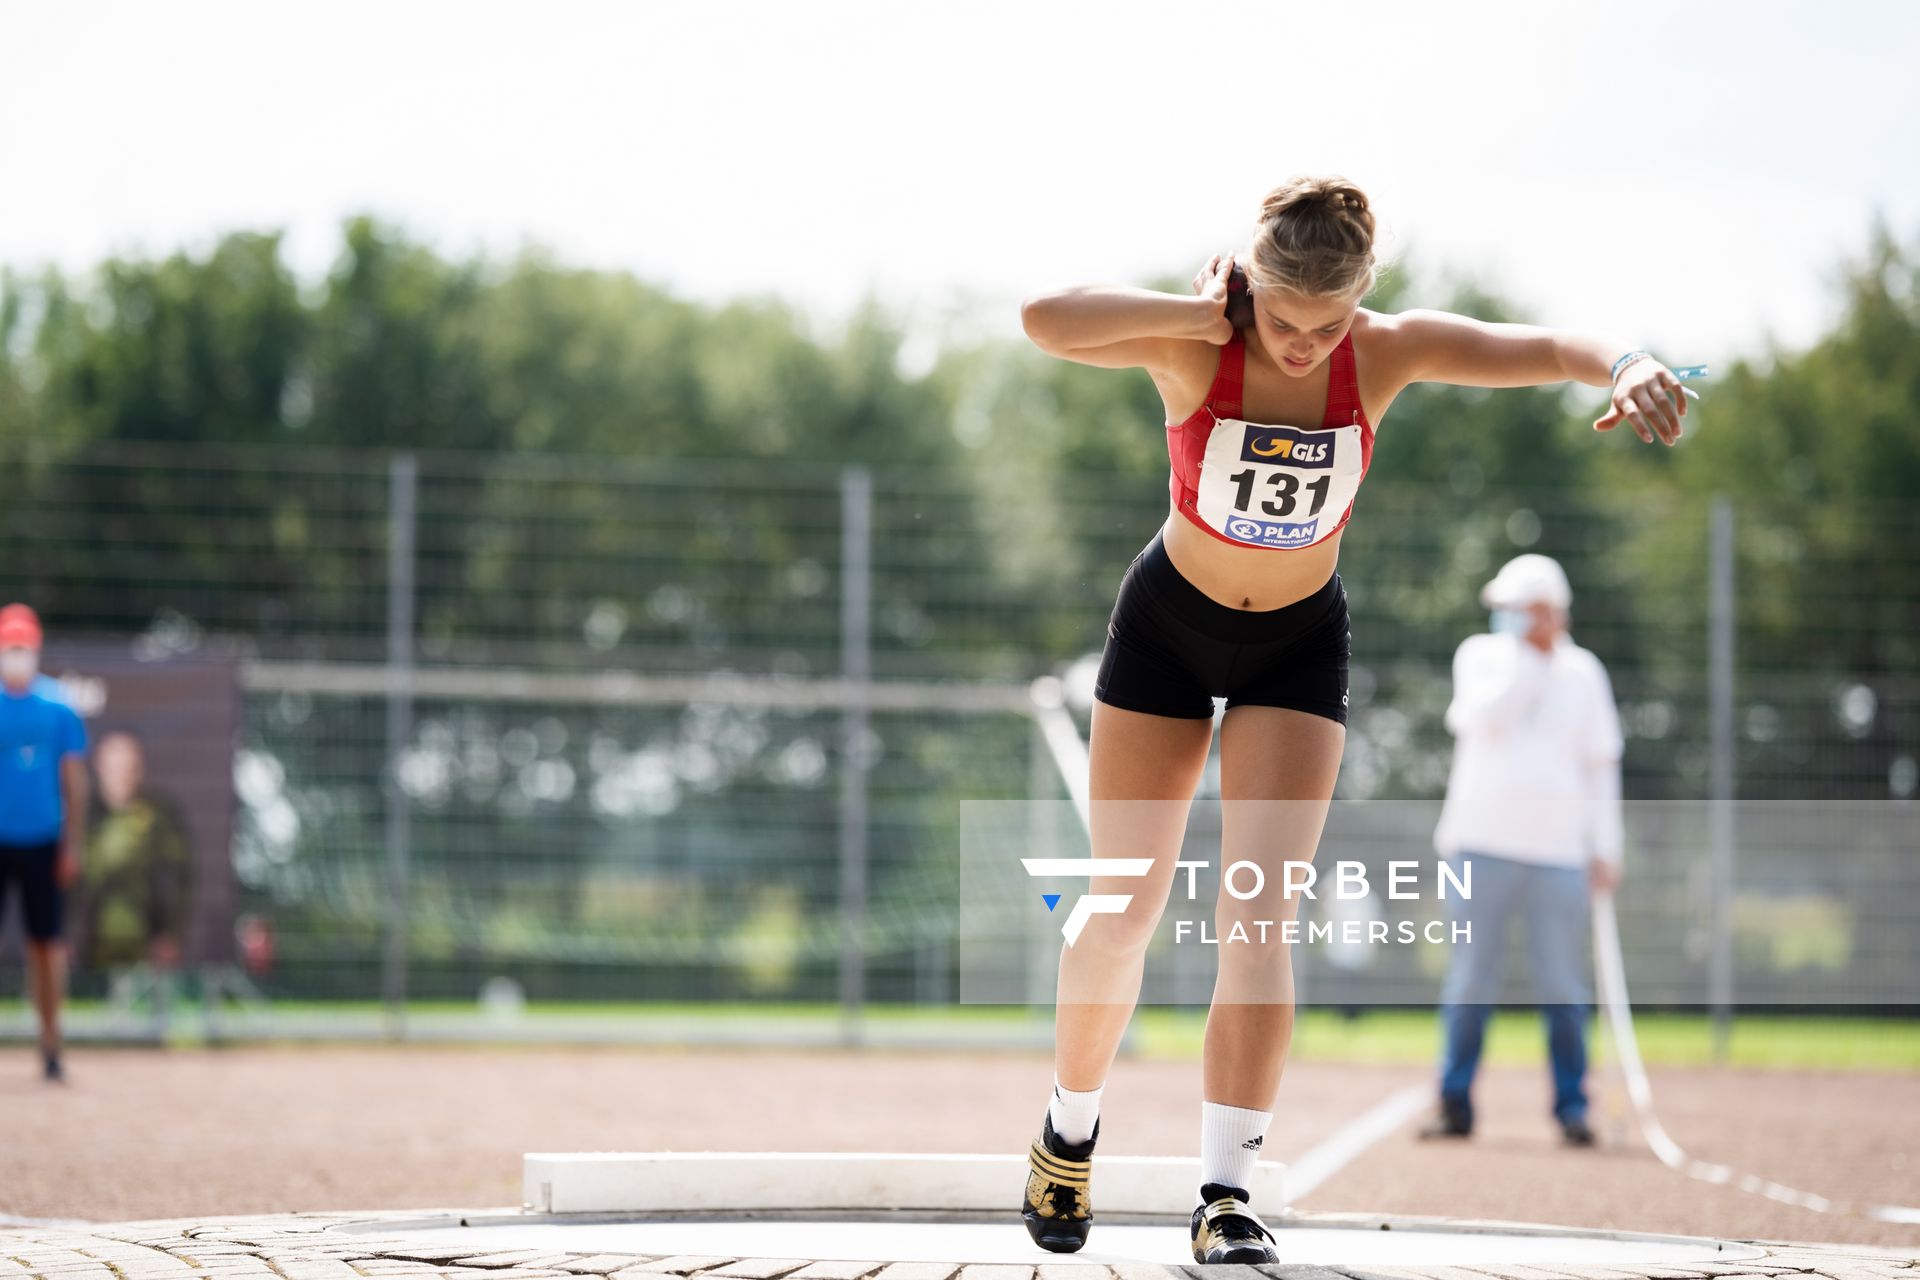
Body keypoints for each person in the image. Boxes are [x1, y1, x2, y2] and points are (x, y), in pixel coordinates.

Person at [1016, 176, 1684, 1262]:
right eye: (1282, 318)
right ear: (1251, 285)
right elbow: (1045, 318)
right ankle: (1069, 1125)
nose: (1300, 342)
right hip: (1166, 633)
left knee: (1258, 915)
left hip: (1295, 643)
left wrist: (1627, 360)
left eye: (1326, 323)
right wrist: (1196, 314)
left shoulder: (1382, 351)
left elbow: (1550, 346)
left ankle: (1226, 1191)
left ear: (1363, 297)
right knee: (1123, 908)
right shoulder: (1197, 346)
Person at [1422, 554, 1624, 1148]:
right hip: (1476, 846)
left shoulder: (1585, 673)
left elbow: (1600, 765)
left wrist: (1605, 845)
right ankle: (1454, 1103)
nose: (1511, 619)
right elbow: (1483, 719)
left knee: (1563, 985)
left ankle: (1571, 1107)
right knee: (1470, 981)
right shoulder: (1480, 657)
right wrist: (1530, 664)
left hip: (1560, 854)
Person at [0, 603, 91, 1082]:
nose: (16, 655)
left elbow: (74, 780)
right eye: (9, 647)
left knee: (46, 947)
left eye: (23, 647)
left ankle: (51, 1043)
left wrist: (71, 844)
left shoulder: (59, 707)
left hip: (42, 840)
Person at [80, 730, 194, 994]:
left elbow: (179, 879)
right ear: (99, 766)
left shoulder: (159, 817)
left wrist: (171, 935)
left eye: (130, 767)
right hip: (88, 951)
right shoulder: (82, 818)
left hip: (146, 948)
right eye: (116, 767)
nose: (123, 775)